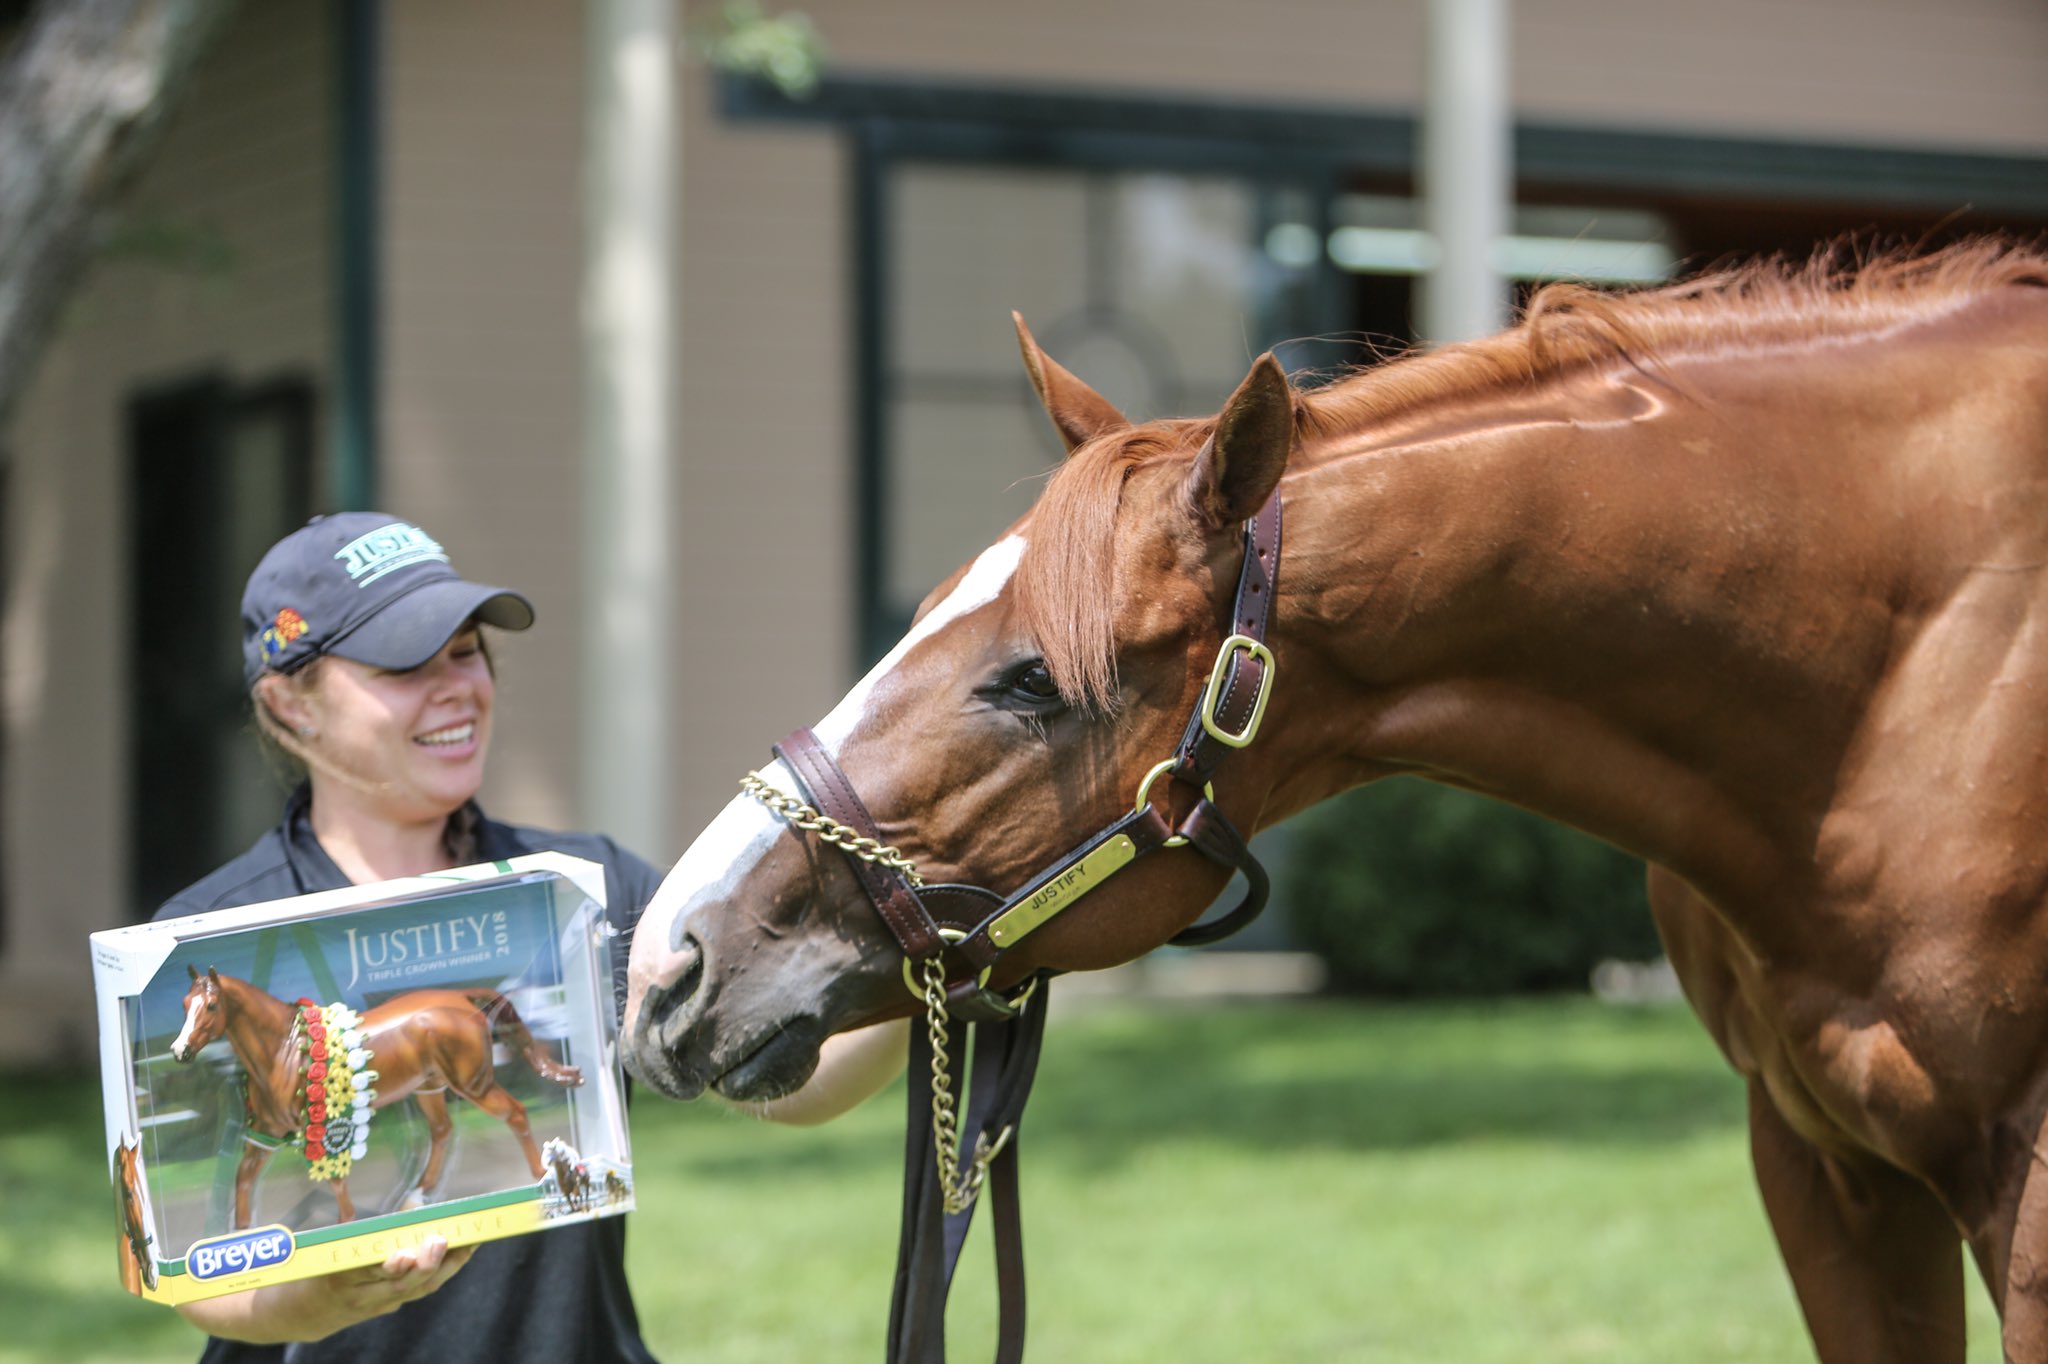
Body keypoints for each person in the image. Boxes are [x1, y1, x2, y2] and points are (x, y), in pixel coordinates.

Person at [154, 512, 910, 1361]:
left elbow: (800, 1080)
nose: (456, 686)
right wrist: (313, 1302)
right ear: (291, 705)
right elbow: (206, 1277)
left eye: (466, 650)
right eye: (404, 661)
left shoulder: (585, 890)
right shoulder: (200, 943)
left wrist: (915, 957)